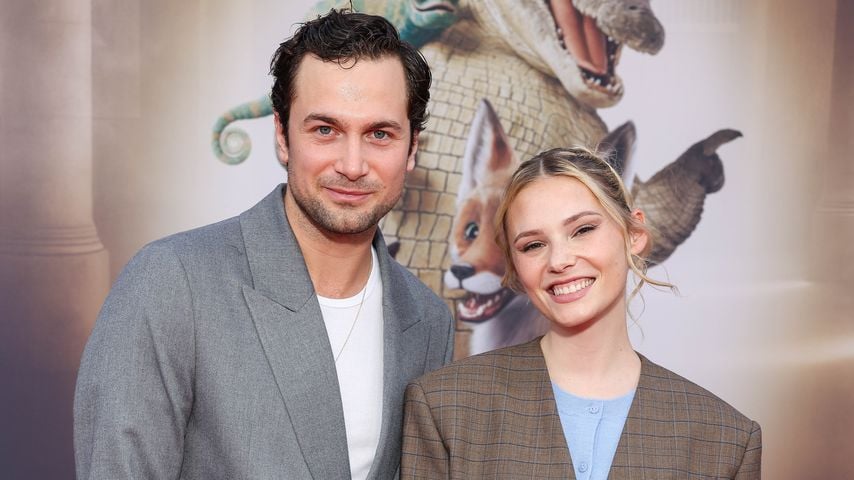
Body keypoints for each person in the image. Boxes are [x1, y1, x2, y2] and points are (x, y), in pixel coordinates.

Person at [74, 9, 454, 480]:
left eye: (379, 134)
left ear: (412, 148)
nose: (352, 165)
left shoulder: (429, 319)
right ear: (282, 136)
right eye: (325, 130)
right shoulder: (170, 283)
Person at [401, 147, 762, 479]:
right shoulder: (445, 407)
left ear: (633, 233)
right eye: (533, 245)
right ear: (515, 267)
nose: (559, 261)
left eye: (583, 229)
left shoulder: (726, 439)